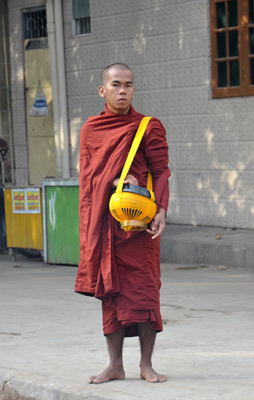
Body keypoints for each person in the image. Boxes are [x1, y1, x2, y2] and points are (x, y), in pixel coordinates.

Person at [75, 63, 170, 384]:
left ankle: (147, 364)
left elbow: (162, 171)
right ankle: (115, 365)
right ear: (103, 90)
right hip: (108, 226)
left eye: (128, 85)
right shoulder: (92, 129)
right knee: (111, 296)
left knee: (144, 293)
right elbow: (89, 178)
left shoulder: (148, 127)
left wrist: (162, 210)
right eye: (115, 85)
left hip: (140, 226)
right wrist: (114, 179)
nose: (122, 91)